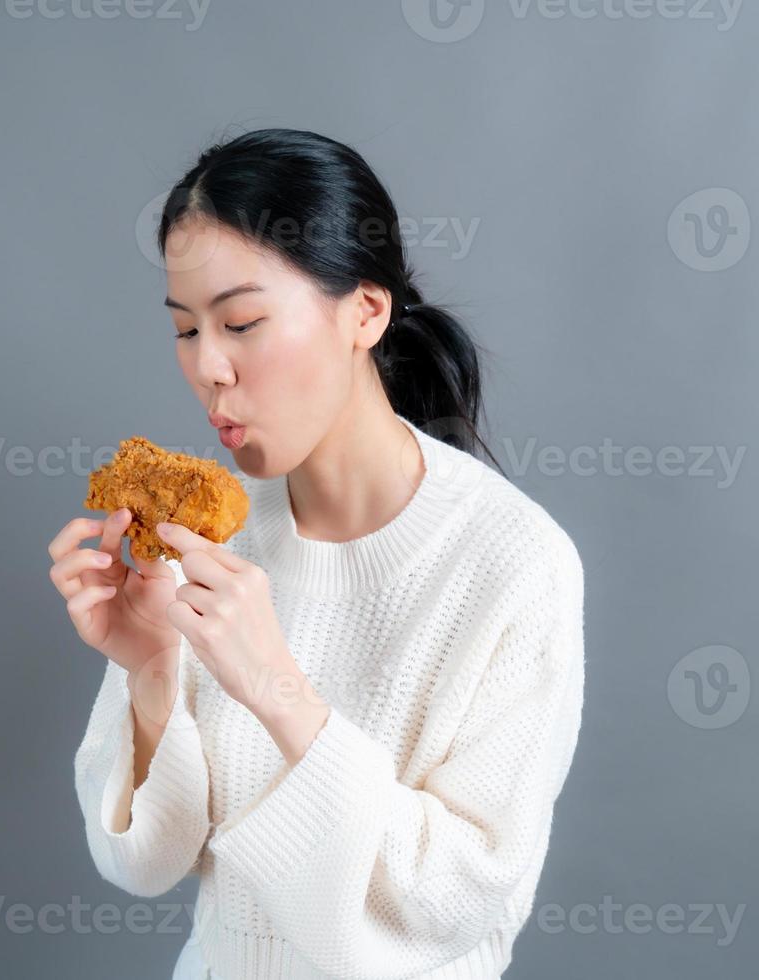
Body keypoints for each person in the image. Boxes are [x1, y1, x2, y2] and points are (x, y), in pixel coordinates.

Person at [48, 128, 585, 979]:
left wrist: (276, 687)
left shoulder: (512, 562)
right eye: (187, 330)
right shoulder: (209, 536)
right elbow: (142, 863)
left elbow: (455, 898)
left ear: (365, 311)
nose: (209, 368)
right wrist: (151, 672)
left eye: (242, 322)